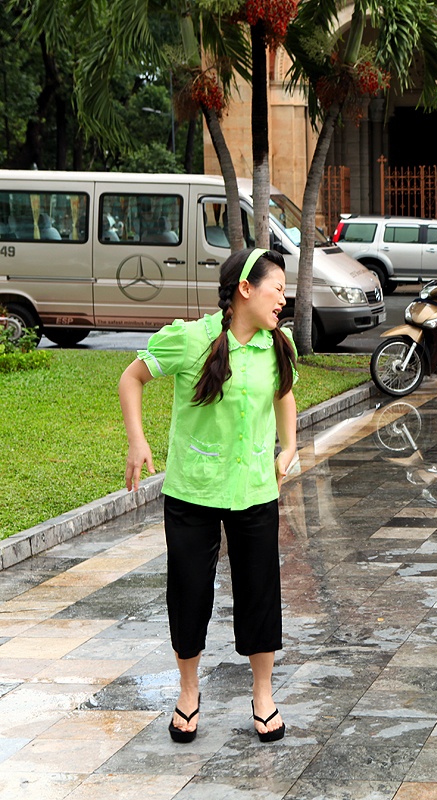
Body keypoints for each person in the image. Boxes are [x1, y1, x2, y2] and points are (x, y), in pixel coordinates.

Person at [118, 248, 297, 744]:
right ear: (245, 289)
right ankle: (188, 691)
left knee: (260, 592)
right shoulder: (191, 339)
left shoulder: (276, 345)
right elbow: (131, 377)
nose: (283, 298)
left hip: (255, 488)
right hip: (193, 490)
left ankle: (263, 694)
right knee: (190, 591)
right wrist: (138, 439)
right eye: (276, 288)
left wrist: (289, 448)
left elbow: (284, 394)